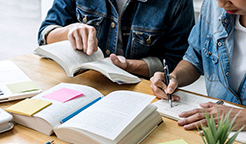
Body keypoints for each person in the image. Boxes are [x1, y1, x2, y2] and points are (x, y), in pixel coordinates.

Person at [150, 0, 246, 131]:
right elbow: (195, 59)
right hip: (214, 128)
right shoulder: (211, 6)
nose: (220, 4)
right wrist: (174, 77)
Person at [38, 0, 195, 78]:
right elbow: (45, 34)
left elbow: (176, 61)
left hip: (138, 89)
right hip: (81, 80)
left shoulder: (176, 2)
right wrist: (69, 30)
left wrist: (127, 66)